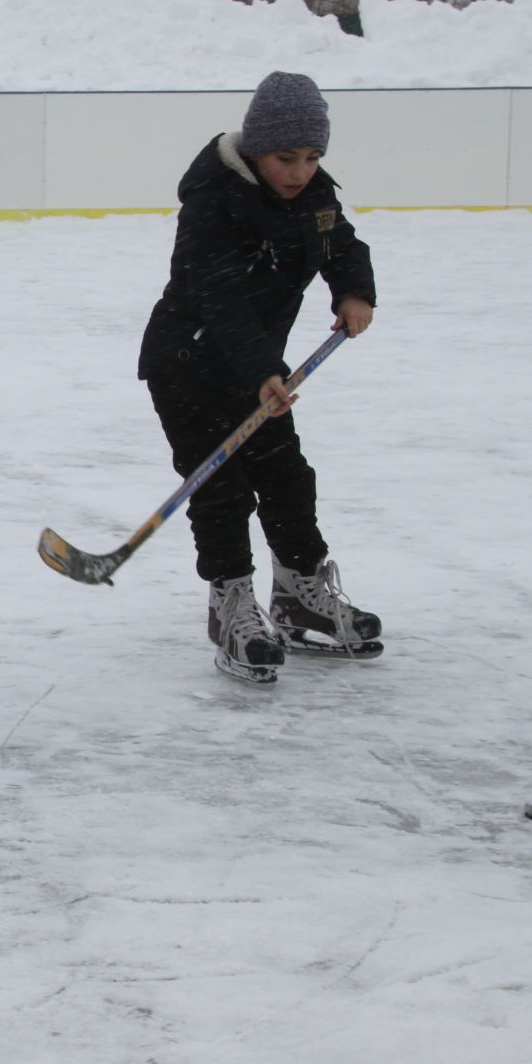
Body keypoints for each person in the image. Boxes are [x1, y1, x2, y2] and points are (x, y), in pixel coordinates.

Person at [136, 71, 382, 685]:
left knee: (288, 478)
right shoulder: (213, 202)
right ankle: (231, 607)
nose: (300, 171)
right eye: (286, 158)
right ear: (254, 150)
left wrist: (353, 289)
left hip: (256, 369)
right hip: (188, 365)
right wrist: (263, 370)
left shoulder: (314, 194)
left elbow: (342, 243)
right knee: (221, 491)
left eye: (312, 156)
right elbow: (220, 298)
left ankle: (299, 597)